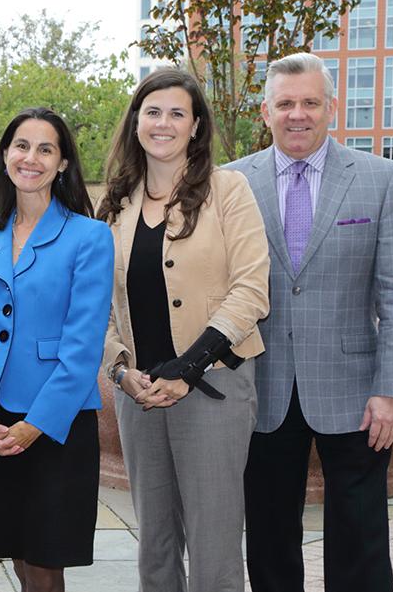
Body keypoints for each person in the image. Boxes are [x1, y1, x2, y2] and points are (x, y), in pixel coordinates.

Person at [225, 52, 393, 592]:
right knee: (267, 536)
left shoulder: (382, 180)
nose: (298, 114)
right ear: (264, 111)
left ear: (331, 108)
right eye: (285, 104)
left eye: (310, 102)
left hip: (358, 393)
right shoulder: (228, 184)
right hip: (260, 387)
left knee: (360, 536)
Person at [98, 68, 270, 592]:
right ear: (135, 122)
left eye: (178, 113)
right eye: (152, 111)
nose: (164, 123)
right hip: (139, 394)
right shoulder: (115, 202)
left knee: (214, 542)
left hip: (212, 388)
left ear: (196, 126)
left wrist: (189, 368)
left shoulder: (228, 190)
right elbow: (96, 309)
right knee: (154, 542)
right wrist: (121, 371)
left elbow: (252, 289)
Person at [0, 107, 113, 592]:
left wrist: (35, 427)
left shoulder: (90, 237)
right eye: (21, 146)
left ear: (63, 163)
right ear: (6, 155)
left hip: (57, 423)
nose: (31, 157)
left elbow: (83, 347)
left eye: (46, 148)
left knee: (46, 565)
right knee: (18, 557)